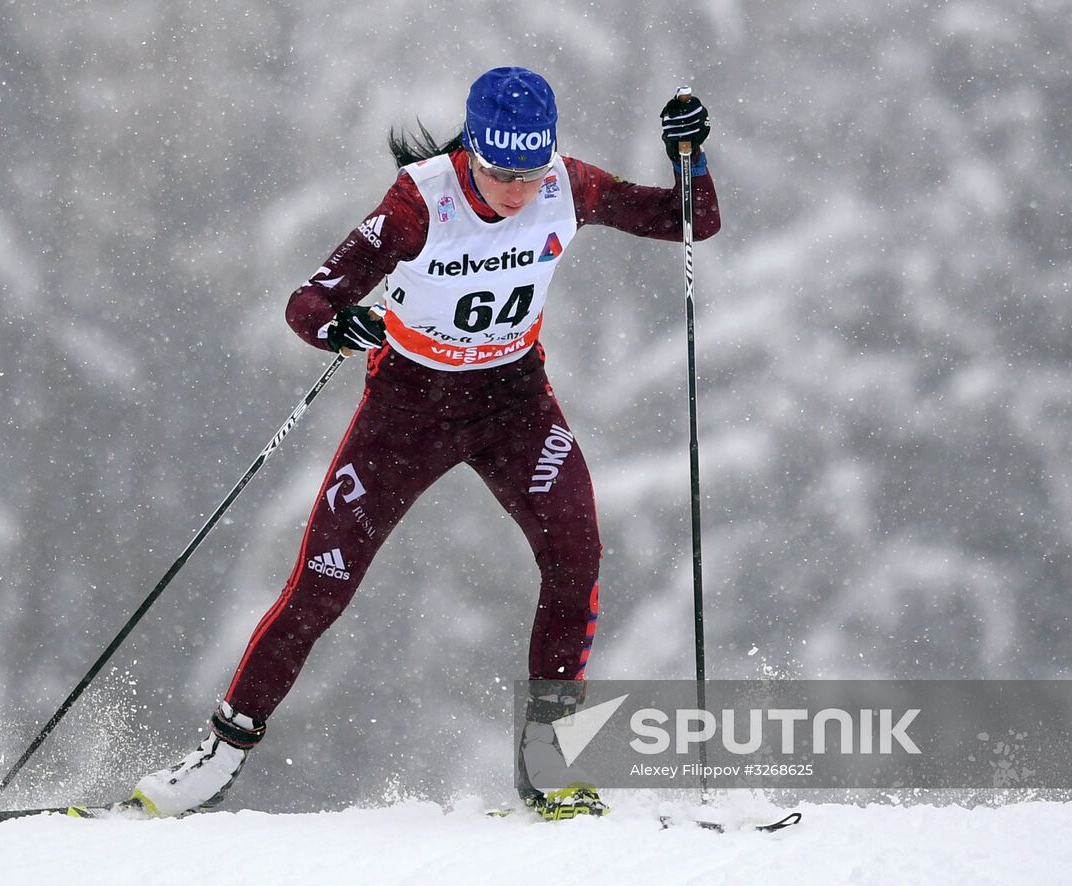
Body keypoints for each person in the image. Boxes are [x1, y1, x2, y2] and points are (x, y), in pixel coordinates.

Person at [130, 66, 719, 819]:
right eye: (501, 172)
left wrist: (691, 158)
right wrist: (334, 324)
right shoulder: (420, 201)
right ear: (472, 150)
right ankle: (219, 754)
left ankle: (549, 761)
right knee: (323, 583)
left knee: (576, 551)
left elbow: (689, 220)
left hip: (513, 403)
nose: (516, 191)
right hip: (407, 410)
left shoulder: (566, 186)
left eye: (530, 171)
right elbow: (309, 300)